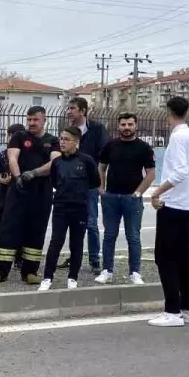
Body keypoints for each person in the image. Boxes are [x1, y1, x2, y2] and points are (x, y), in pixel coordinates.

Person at [149, 96, 189, 328]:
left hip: (173, 206)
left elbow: (181, 171)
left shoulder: (177, 137)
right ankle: (188, 310)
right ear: (187, 112)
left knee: (165, 258)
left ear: (169, 112)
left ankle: (172, 311)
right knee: (183, 259)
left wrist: (157, 192)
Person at [0, 106, 60, 284]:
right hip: (19, 189)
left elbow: (55, 162)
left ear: (44, 120)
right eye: (29, 120)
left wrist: (34, 173)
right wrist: (18, 176)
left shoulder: (52, 141)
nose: (31, 123)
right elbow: (12, 157)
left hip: (41, 191)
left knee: (36, 229)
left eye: (35, 119)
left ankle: (30, 271)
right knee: (9, 228)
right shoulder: (19, 137)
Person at [95, 112, 155, 286]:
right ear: (118, 126)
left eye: (130, 124)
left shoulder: (144, 148)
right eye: (123, 124)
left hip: (132, 199)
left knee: (133, 237)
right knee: (109, 236)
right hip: (111, 198)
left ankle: (135, 273)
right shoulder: (110, 145)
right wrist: (101, 189)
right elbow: (101, 167)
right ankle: (107, 271)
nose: (126, 128)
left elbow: (151, 174)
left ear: (136, 126)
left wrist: (138, 193)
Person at [39, 126, 100, 291]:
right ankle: (47, 278)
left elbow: (95, 182)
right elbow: (54, 181)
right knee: (56, 242)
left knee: (76, 244)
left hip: (79, 208)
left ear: (76, 142)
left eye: (67, 139)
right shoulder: (57, 162)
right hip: (60, 207)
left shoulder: (86, 161)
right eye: (61, 139)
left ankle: (73, 277)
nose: (62, 142)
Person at [65, 97, 108, 273]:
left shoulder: (97, 129)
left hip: (90, 184)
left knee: (91, 222)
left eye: (72, 108)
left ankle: (94, 259)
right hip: (72, 184)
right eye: (68, 108)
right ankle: (74, 256)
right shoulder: (70, 131)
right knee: (74, 222)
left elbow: (103, 156)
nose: (69, 112)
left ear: (83, 111)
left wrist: (99, 182)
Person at [0, 123, 24, 236]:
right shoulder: (3, 154)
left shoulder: (25, 154)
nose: (11, 138)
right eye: (10, 135)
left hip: (19, 193)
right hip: (4, 193)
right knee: (2, 225)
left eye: (13, 135)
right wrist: (2, 180)